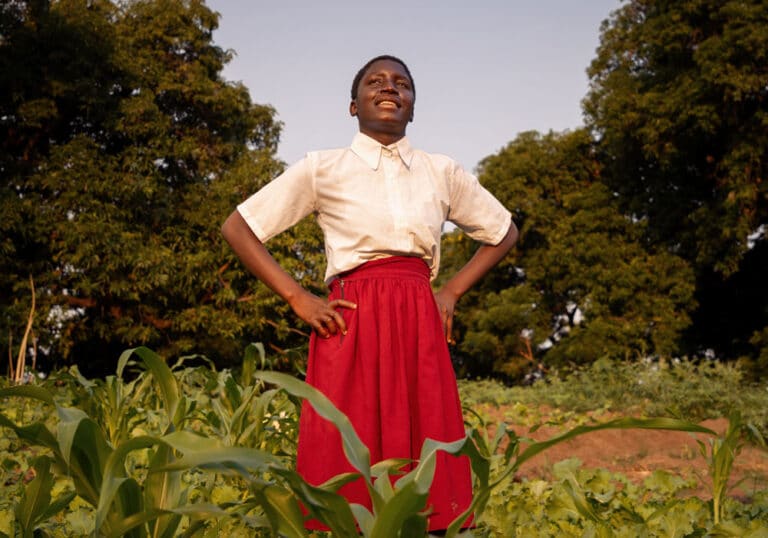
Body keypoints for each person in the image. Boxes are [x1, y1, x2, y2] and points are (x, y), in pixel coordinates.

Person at [221, 54, 517, 534]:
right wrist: (298, 297)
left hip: (418, 312)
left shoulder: (441, 171)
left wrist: (451, 292)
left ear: (413, 108)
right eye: (375, 82)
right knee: (345, 446)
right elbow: (238, 227)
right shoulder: (322, 167)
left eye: (402, 84)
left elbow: (503, 230)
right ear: (353, 107)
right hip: (350, 317)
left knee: (426, 444)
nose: (389, 88)